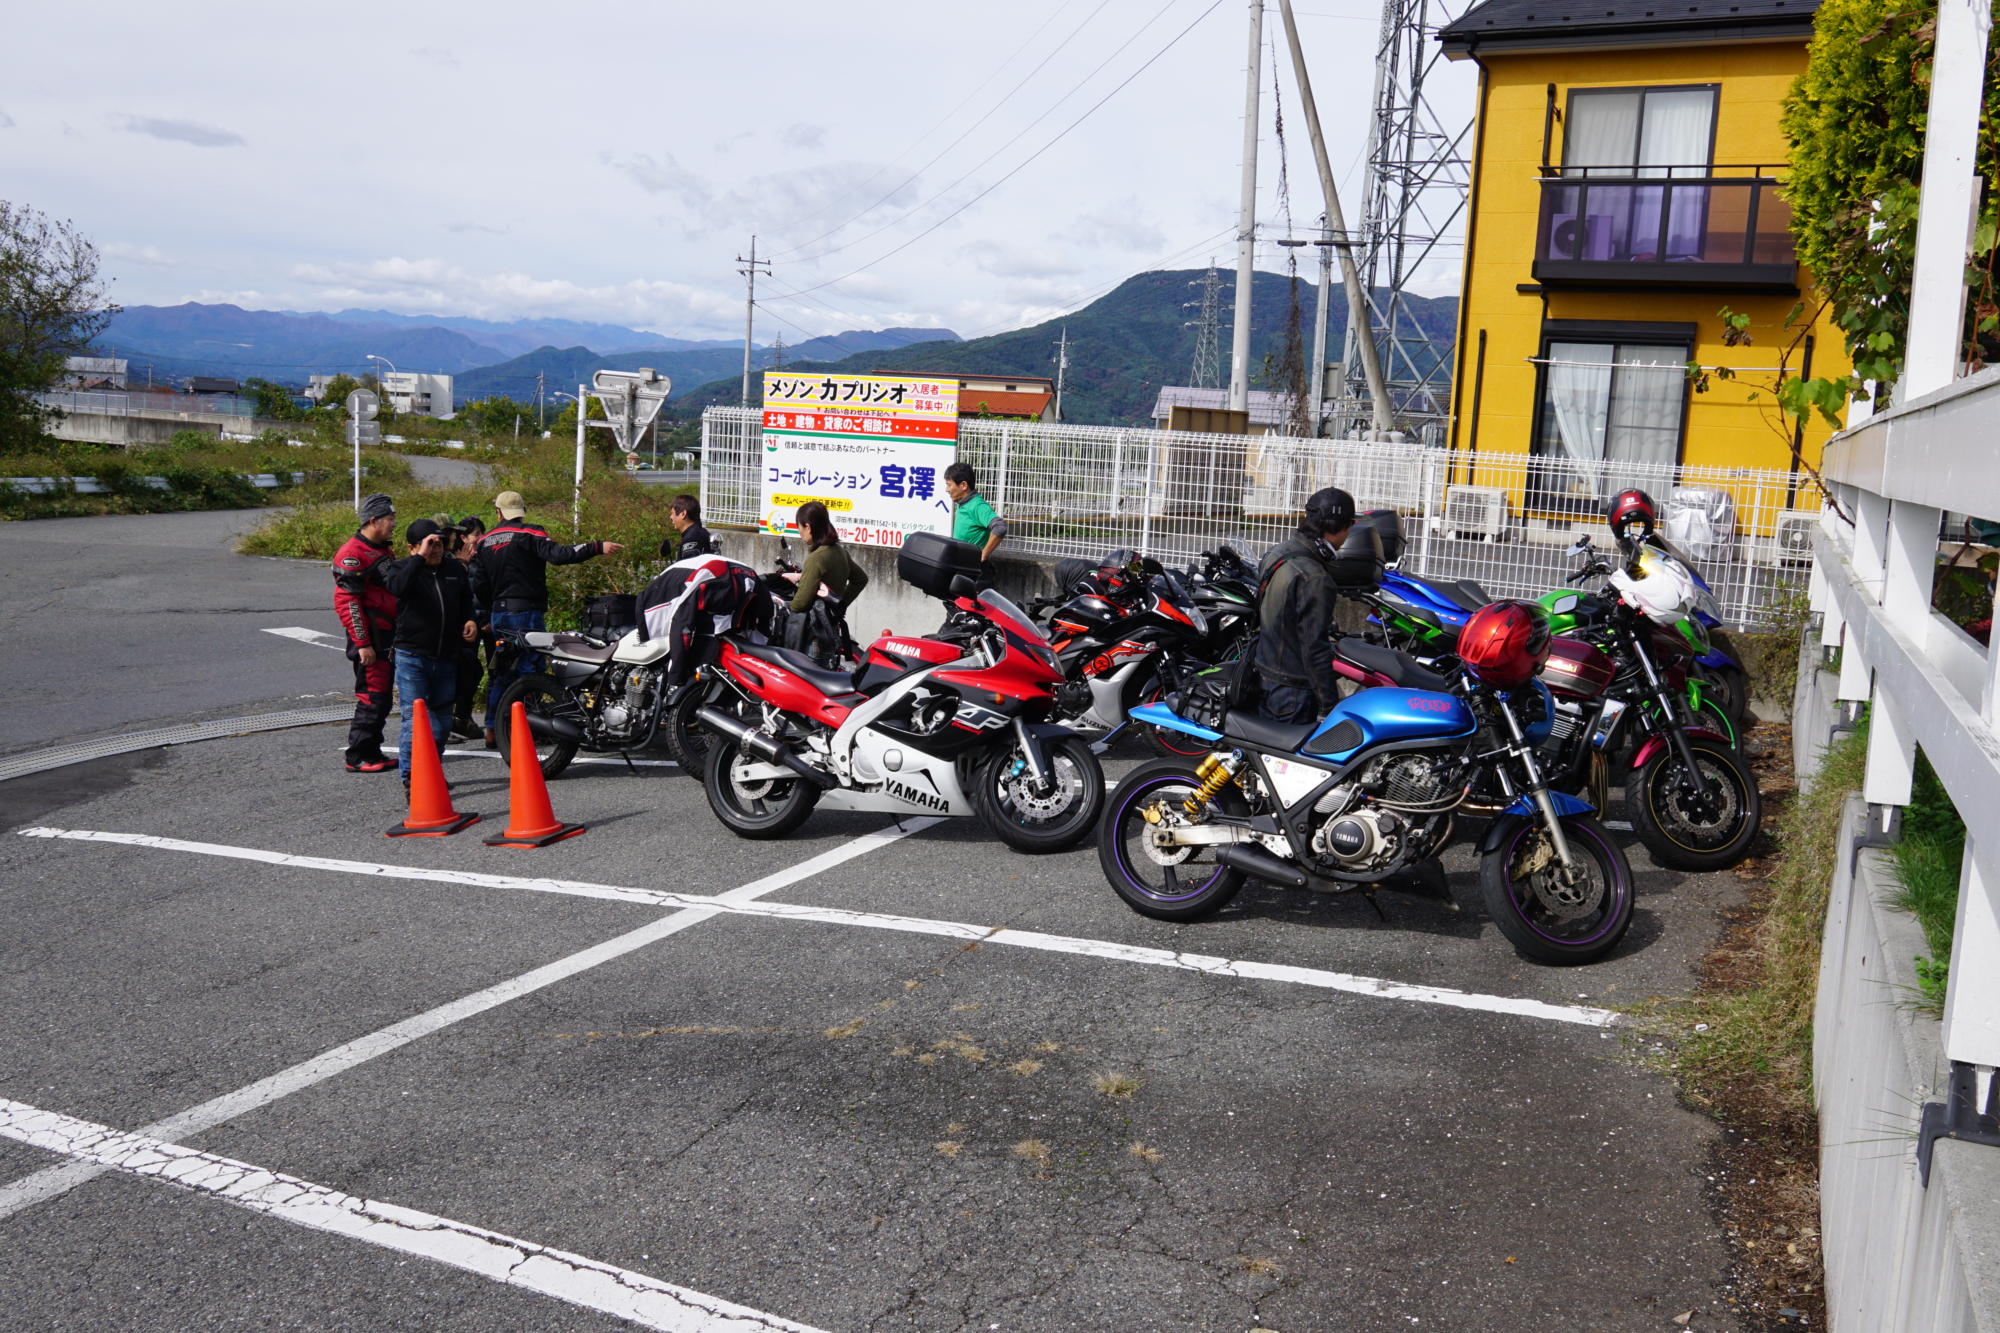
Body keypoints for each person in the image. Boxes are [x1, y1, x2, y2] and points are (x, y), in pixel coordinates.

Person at [474, 490, 625, 747]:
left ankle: (493, 728)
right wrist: (596, 547)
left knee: (501, 671)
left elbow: (479, 585)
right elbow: (560, 555)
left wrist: (491, 609)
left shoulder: (483, 542)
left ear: (498, 513)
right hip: (526, 613)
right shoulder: (530, 533)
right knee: (530, 670)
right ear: (521, 512)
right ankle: (526, 728)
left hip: (499, 613)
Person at [380, 519, 478, 783]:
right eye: (429, 544)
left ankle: (430, 774)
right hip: (412, 657)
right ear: (412, 547)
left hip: (446, 657)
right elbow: (397, 588)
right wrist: (419, 559)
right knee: (416, 721)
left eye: (440, 543)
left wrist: (470, 620)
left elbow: (466, 600)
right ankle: (412, 779)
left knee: (442, 724)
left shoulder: (453, 569)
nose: (436, 549)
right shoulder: (401, 568)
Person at [1251, 487, 1356, 725]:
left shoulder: (1278, 553)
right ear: (1341, 526)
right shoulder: (1315, 578)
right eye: (1350, 525)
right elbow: (1314, 647)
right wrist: (1329, 704)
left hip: (1265, 675)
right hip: (1293, 692)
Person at [331, 492, 401, 774]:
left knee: (382, 698)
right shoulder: (352, 554)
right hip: (371, 638)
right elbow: (348, 603)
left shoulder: (381, 548)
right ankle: (357, 755)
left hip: (387, 633)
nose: (394, 524)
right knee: (373, 697)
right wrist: (363, 643)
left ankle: (372, 750)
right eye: (390, 519)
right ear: (374, 521)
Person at [788, 501, 868, 658]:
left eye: (799, 526)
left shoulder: (816, 558)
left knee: (808, 672)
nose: (799, 532)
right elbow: (861, 579)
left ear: (808, 527)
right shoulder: (839, 551)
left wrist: (783, 603)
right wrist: (839, 603)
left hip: (814, 636)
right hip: (831, 629)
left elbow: (800, 604)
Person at [944, 462, 1008, 563]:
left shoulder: (977, 506)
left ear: (963, 485)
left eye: (949, 485)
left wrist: (984, 554)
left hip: (972, 568)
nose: (947, 490)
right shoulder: (964, 503)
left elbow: (1000, 527)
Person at [666, 493, 716, 559]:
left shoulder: (692, 539)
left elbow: (690, 565)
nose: (670, 517)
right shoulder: (702, 533)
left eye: (672, 513)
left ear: (683, 514)